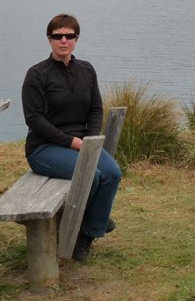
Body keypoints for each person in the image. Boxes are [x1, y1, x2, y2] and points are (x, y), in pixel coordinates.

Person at [21, 13, 121, 262]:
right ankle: (84, 228)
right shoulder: (37, 75)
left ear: (76, 39)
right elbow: (34, 120)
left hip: (82, 144)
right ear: (49, 39)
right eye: (58, 36)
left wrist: (89, 140)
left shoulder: (86, 70)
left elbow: (95, 109)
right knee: (92, 175)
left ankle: (89, 232)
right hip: (44, 148)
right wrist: (71, 142)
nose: (63, 40)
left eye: (69, 36)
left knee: (112, 173)